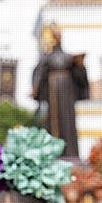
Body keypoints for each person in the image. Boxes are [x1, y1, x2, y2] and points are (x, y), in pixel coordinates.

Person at [31, 25, 89, 159]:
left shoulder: (68, 58)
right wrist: (36, 88)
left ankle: (70, 152)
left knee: (68, 120)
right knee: (54, 121)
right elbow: (39, 73)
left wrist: (80, 66)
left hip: (67, 92)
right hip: (53, 92)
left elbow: (80, 77)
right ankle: (55, 151)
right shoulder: (46, 58)